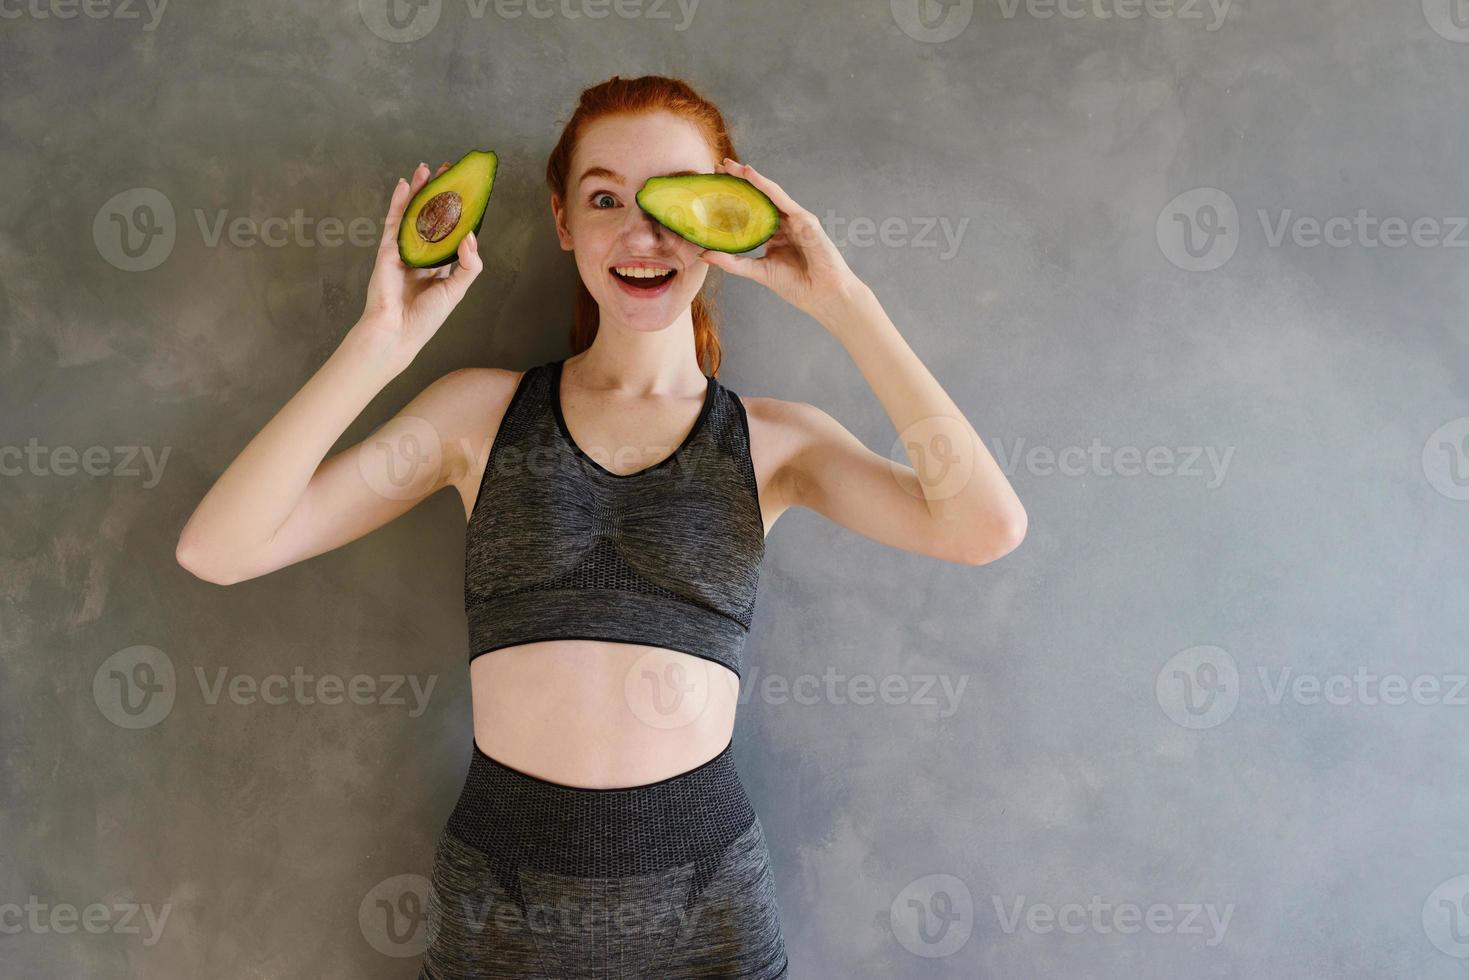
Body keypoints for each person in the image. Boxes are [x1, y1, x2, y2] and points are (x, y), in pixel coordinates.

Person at [175, 73, 1026, 979]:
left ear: (725, 215)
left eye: (674, 199)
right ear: (562, 222)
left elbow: (983, 528)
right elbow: (220, 548)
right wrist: (380, 342)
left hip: (711, 917)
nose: (642, 232)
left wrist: (839, 301)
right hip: (497, 913)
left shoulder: (778, 442)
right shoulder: (477, 416)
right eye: (605, 197)